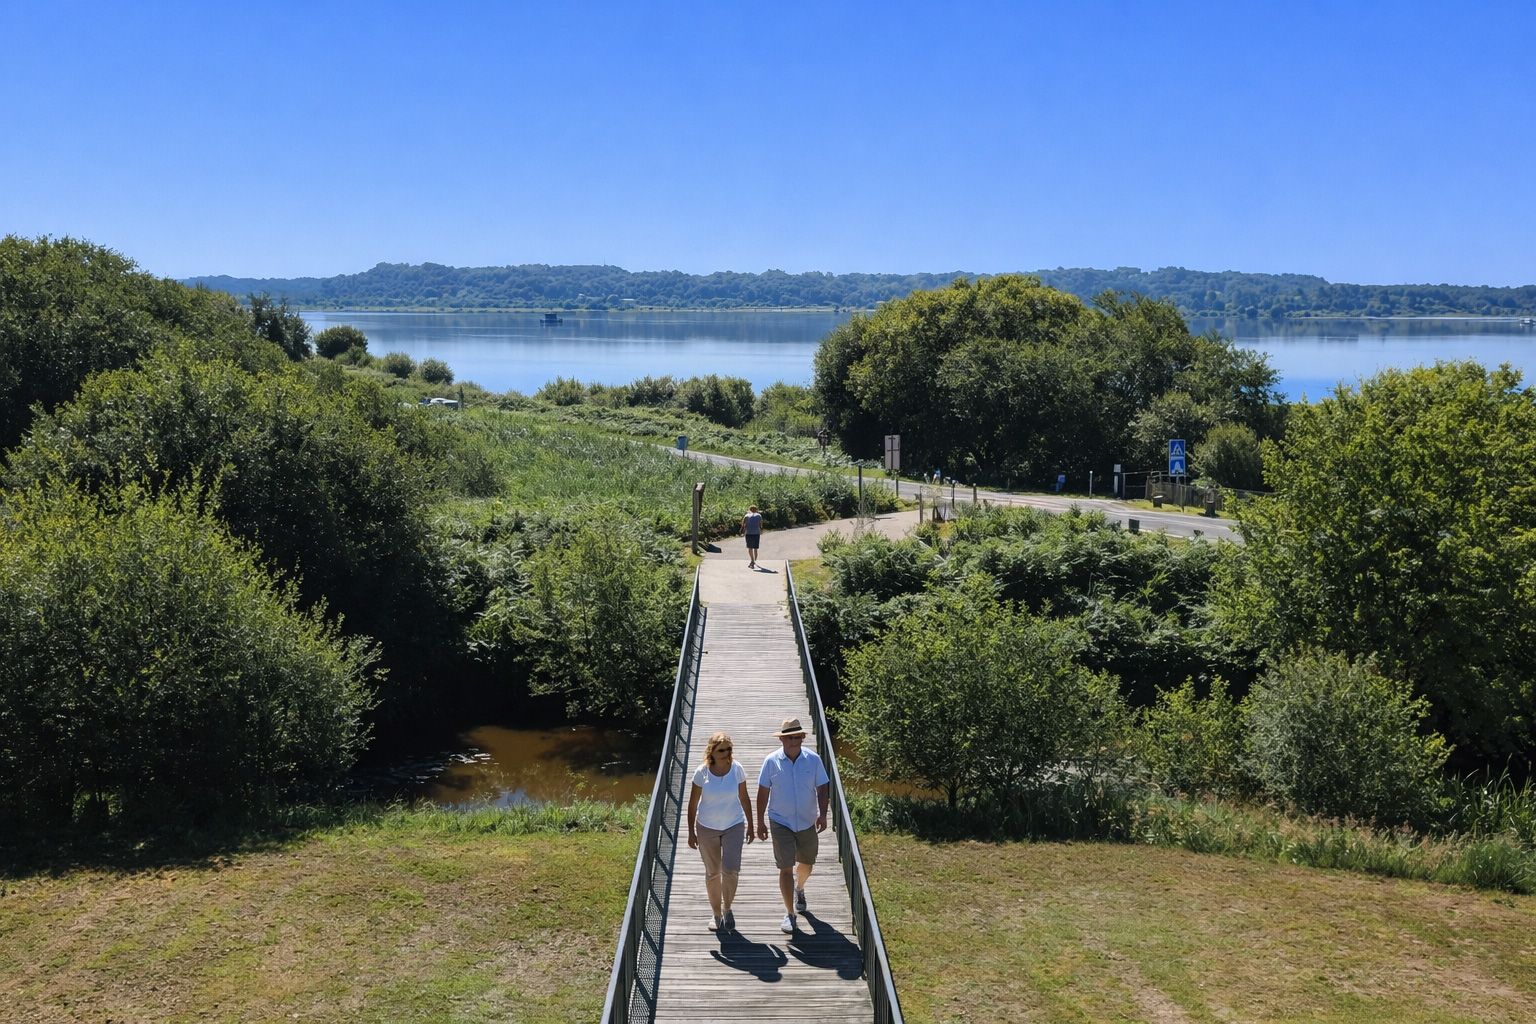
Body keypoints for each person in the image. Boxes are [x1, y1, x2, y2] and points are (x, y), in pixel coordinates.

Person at [756, 717, 829, 934]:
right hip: (780, 820)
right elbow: (762, 792)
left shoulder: (813, 760)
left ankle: (800, 889)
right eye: (789, 738)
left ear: (803, 737)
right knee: (785, 867)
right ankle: (789, 914)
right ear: (782, 740)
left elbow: (823, 787)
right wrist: (759, 821)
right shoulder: (771, 762)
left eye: (798, 737)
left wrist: (823, 814)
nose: (794, 741)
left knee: (807, 862)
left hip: (807, 820)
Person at [687, 732, 754, 933]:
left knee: (731, 870)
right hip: (707, 827)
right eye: (721, 750)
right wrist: (691, 832)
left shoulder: (737, 769)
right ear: (712, 752)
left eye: (729, 749)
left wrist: (751, 824)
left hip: (733, 824)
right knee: (713, 872)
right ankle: (716, 913)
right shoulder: (702, 773)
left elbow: (744, 798)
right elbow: (692, 805)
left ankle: (727, 909)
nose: (726, 753)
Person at [742, 505, 763, 569]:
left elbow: (744, 525)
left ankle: (752, 560)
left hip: (749, 533)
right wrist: (761, 530)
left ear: (749, 509)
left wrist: (744, 531)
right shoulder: (759, 516)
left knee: (750, 547)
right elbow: (760, 524)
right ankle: (755, 558)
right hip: (756, 533)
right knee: (755, 547)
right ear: (756, 510)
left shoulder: (746, 516)